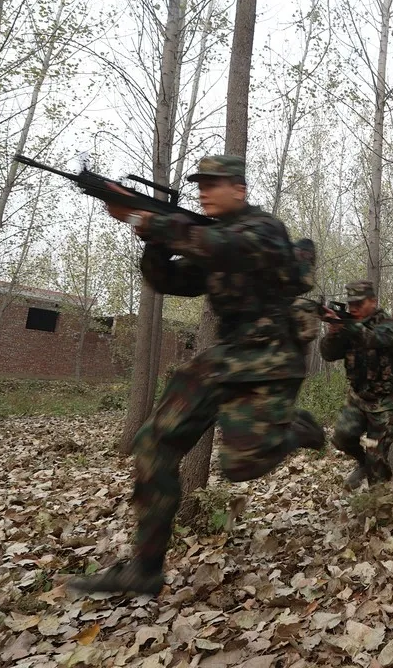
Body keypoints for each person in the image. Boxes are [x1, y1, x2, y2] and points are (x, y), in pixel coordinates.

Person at [69, 155, 324, 596]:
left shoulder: (264, 230)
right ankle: (145, 568)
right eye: (199, 184)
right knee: (153, 445)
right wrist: (151, 238)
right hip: (225, 357)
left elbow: (222, 249)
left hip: (271, 357)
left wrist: (154, 221)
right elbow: (169, 281)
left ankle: (294, 428)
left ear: (239, 190)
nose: (203, 190)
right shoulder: (204, 233)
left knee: (241, 467)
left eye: (213, 183)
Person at [320, 280, 393, 490]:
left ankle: (381, 506)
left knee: (376, 460)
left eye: (359, 303)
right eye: (351, 304)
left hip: (386, 402)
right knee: (341, 438)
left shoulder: (389, 325)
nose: (354, 309)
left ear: (373, 301)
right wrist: (333, 332)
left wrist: (346, 326)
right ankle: (363, 463)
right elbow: (329, 354)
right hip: (358, 399)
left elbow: (374, 338)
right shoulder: (348, 325)